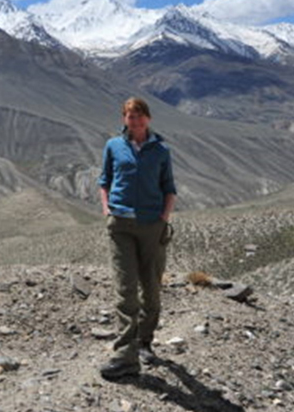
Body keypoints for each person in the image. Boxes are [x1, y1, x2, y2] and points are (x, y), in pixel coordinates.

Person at [97, 97, 176, 379]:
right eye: (131, 117)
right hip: (120, 225)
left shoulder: (160, 150)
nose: (136, 121)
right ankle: (125, 356)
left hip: (151, 226)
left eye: (140, 116)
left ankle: (145, 341)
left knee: (151, 289)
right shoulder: (113, 146)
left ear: (149, 119)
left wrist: (164, 218)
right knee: (125, 290)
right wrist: (107, 210)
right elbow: (104, 180)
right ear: (124, 119)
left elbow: (169, 187)